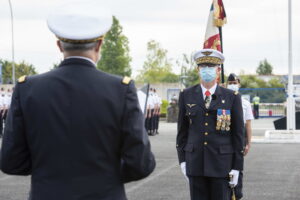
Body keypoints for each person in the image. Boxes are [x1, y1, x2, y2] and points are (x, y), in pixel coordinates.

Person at [0, 4, 155, 200]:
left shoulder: (28, 89)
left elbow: (11, 162)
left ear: (59, 45)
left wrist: (48, 172)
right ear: (99, 44)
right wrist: (106, 175)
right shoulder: (121, 89)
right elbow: (140, 164)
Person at [176, 49, 244, 200]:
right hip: (195, 163)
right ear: (198, 70)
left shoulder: (232, 97)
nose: (207, 70)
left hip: (222, 164)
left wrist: (237, 167)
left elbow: (238, 135)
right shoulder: (186, 95)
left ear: (218, 71)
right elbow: (182, 132)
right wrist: (182, 160)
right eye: (203, 67)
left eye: (211, 67)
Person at [227, 73, 254, 200]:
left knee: (238, 166)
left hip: (240, 137)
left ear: (239, 84)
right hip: (225, 134)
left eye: (235, 83)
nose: (233, 85)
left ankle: (237, 194)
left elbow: (248, 124)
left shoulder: (245, 103)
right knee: (224, 165)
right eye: (230, 83)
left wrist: (248, 142)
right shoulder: (222, 100)